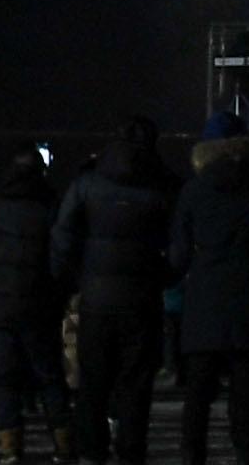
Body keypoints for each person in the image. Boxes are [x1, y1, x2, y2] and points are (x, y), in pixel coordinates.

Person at [167, 113, 249, 465]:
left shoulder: (193, 190)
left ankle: (191, 455)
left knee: (198, 392)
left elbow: (179, 254)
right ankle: (248, 454)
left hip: (205, 302)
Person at [56, 118, 179, 465]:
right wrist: (163, 276)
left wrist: (76, 278)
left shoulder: (87, 183)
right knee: (136, 387)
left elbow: (63, 237)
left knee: (93, 384)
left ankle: (92, 452)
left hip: (96, 299)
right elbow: (181, 244)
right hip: (142, 300)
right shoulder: (163, 186)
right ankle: (131, 452)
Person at [0, 142, 79, 462]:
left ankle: (11, 446)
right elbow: (59, 257)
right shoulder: (50, 205)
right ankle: (63, 443)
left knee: (5, 378)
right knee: (49, 375)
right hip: (38, 305)